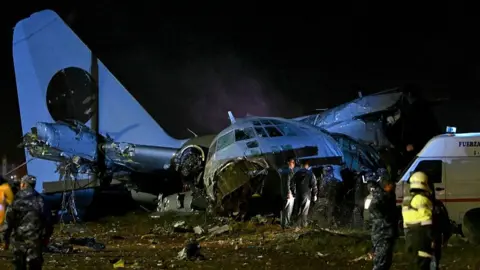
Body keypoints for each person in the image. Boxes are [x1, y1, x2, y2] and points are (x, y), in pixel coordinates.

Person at [2, 175, 52, 270]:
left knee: (19, 266)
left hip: (18, 241)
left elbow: (8, 222)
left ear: (23, 184)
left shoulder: (16, 200)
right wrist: (46, 238)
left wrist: (5, 240)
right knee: (34, 266)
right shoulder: (41, 200)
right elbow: (48, 221)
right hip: (35, 241)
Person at [365, 168, 398, 270]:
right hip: (382, 233)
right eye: (390, 184)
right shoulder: (380, 196)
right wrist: (386, 218)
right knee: (381, 264)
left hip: (387, 233)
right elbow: (374, 209)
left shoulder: (389, 195)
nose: (393, 186)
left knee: (385, 262)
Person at [402, 171, 434, 270]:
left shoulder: (406, 200)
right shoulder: (422, 199)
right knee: (423, 264)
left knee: (415, 264)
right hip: (422, 237)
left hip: (410, 238)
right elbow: (427, 220)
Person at [290, 160, 317, 228]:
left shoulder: (297, 173)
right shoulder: (311, 173)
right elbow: (314, 185)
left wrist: (293, 192)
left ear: (302, 165)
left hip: (298, 194)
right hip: (307, 194)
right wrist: (315, 195)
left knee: (297, 210)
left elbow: (292, 183)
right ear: (308, 166)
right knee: (304, 211)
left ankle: (296, 225)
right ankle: (303, 225)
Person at [277, 157, 297, 228]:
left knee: (286, 209)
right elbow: (287, 182)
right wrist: (289, 192)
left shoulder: (286, 170)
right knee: (287, 209)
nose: (294, 164)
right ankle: (285, 224)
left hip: (287, 192)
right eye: (292, 162)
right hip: (288, 193)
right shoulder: (288, 170)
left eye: (294, 162)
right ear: (288, 162)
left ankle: (284, 224)